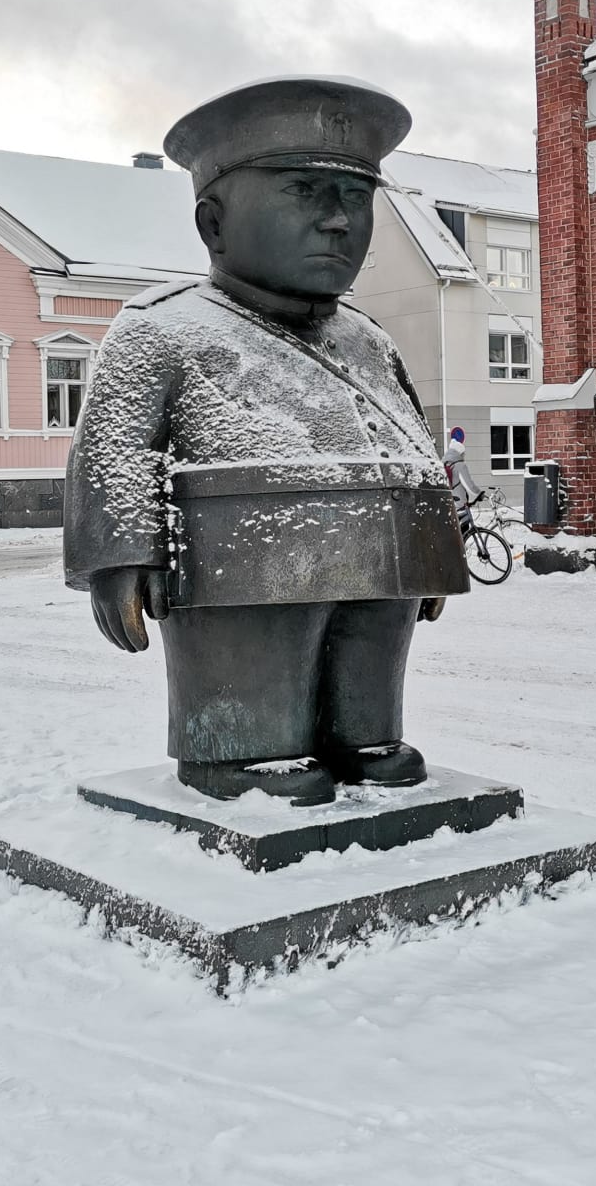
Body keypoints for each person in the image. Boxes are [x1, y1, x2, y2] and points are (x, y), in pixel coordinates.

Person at [63, 76, 469, 807]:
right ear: (213, 224)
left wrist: (432, 545)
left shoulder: (368, 340)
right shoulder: (162, 328)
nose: (338, 222)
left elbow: (412, 438)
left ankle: (362, 735)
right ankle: (243, 748)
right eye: (304, 193)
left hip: (384, 563)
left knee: (372, 658)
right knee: (261, 661)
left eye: (353, 199)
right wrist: (118, 556)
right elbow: (114, 447)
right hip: (237, 567)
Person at [444, 426, 476, 536]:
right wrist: (478, 494)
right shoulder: (459, 465)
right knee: (463, 530)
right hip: (460, 503)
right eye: (463, 453)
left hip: (451, 500)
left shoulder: (445, 463)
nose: (464, 455)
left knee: (456, 530)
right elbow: (469, 484)